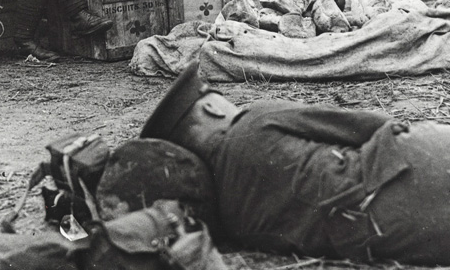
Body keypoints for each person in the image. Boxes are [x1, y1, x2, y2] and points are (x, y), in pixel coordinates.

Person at [141, 60, 450, 266]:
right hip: (412, 169)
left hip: (397, 237)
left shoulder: (227, 218)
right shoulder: (254, 121)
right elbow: (369, 124)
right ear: (212, 109)